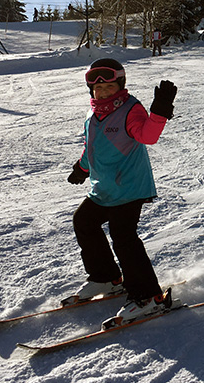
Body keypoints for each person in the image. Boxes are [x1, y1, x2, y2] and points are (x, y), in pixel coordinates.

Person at [64, 58, 178, 326]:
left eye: (109, 87)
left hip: (129, 187)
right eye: (98, 89)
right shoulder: (93, 114)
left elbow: (147, 136)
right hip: (104, 187)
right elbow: (92, 146)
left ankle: (148, 297)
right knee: (84, 221)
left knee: (123, 236)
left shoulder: (130, 109)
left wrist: (159, 112)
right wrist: (82, 168)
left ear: (120, 86)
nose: (103, 93)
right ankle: (106, 278)